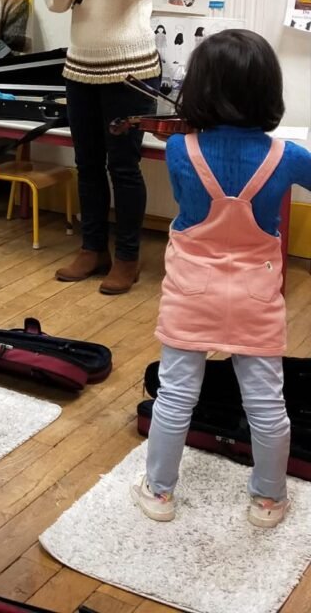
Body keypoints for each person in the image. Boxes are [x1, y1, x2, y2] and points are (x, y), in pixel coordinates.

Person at [132, 30, 311, 528]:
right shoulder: (289, 156)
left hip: (192, 291)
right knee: (266, 404)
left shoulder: (177, 151)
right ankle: (268, 500)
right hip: (256, 295)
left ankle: (159, 492)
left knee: (175, 396)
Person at [44, 0, 166, 294]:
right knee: (87, 164)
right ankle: (93, 249)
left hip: (130, 71)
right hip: (80, 68)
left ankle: (128, 257)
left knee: (124, 166)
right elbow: (54, 3)